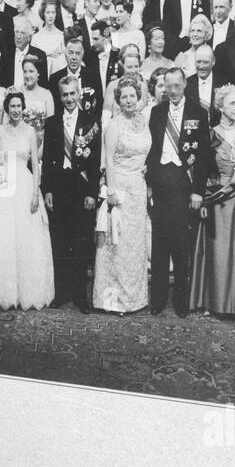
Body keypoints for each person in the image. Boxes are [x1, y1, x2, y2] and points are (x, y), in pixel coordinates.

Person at [0, 93, 55, 308]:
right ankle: (1, 292)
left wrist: (36, 193)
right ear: (7, 109)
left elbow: (35, 165)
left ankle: (26, 292)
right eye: (12, 106)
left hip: (25, 185)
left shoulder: (30, 132)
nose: (16, 110)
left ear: (23, 108)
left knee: (26, 237)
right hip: (4, 186)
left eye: (19, 106)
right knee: (2, 236)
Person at [189, 85, 235, 321]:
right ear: (220, 107)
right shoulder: (209, 134)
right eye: (232, 103)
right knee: (217, 255)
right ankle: (213, 302)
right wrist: (207, 196)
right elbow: (201, 169)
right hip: (215, 201)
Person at [146, 66, 213, 315]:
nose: (172, 91)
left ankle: (181, 302)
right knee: (159, 244)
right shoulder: (156, 111)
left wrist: (198, 191)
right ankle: (159, 300)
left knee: (182, 245)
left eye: (177, 86)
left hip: (185, 183)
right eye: (168, 86)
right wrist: (150, 185)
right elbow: (151, 151)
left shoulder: (199, 112)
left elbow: (204, 155)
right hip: (161, 180)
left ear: (185, 85)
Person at [92, 77, 152, 313]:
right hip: (120, 189)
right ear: (118, 100)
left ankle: (134, 300)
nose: (129, 100)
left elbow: (147, 151)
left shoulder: (144, 122)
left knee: (134, 245)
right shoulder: (114, 125)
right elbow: (108, 160)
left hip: (138, 187)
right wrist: (112, 192)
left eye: (132, 96)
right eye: (124, 96)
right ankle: (111, 301)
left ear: (138, 99)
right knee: (115, 245)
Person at [42, 76, 101, 312]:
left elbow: (95, 161)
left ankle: (80, 296)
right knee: (60, 240)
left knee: (80, 241)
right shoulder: (52, 122)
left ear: (79, 94)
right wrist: (46, 189)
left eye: (72, 94)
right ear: (60, 96)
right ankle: (62, 293)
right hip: (58, 187)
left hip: (81, 187)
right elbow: (47, 159)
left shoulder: (91, 121)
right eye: (65, 94)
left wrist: (92, 193)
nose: (69, 98)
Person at [32, 0, 68, 76]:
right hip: (40, 75)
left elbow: (64, 61)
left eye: (53, 12)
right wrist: (46, 55)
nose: (50, 16)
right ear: (43, 13)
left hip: (57, 74)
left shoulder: (61, 36)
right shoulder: (36, 37)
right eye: (48, 12)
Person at [19, 56, 55, 135]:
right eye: (25, 71)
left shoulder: (47, 94)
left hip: (41, 141)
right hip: (21, 140)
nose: (27, 75)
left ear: (38, 73)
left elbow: (50, 125)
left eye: (31, 71)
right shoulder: (18, 93)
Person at [175, 13, 214, 79]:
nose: (195, 34)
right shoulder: (182, 56)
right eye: (192, 31)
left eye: (199, 31)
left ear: (206, 35)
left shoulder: (211, 55)